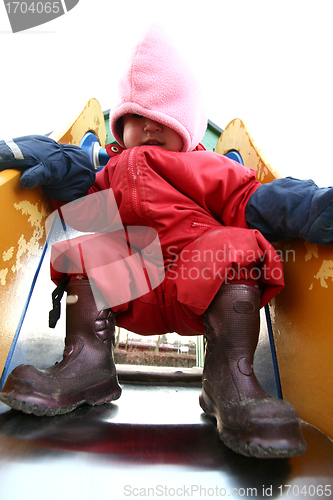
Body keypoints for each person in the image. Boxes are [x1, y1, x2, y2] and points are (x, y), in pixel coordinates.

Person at [0, 25, 332, 459]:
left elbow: (258, 201)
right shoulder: (111, 171)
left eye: (163, 118)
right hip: (133, 288)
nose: (148, 128)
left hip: (199, 285)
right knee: (86, 250)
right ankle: (87, 362)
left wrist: (312, 206)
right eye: (135, 118)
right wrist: (51, 156)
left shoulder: (210, 168)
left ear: (188, 123)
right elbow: (75, 184)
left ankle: (230, 377)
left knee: (237, 245)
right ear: (121, 126)